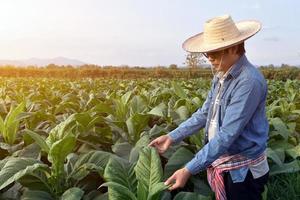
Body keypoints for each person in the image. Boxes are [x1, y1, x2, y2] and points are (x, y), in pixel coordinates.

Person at [149, 14, 269, 200]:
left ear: (234, 47)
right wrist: (172, 137)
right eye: (208, 53)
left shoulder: (248, 82)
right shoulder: (221, 75)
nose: (209, 58)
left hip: (243, 171)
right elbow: (205, 113)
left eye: (215, 52)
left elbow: (227, 134)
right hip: (223, 162)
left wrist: (189, 169)